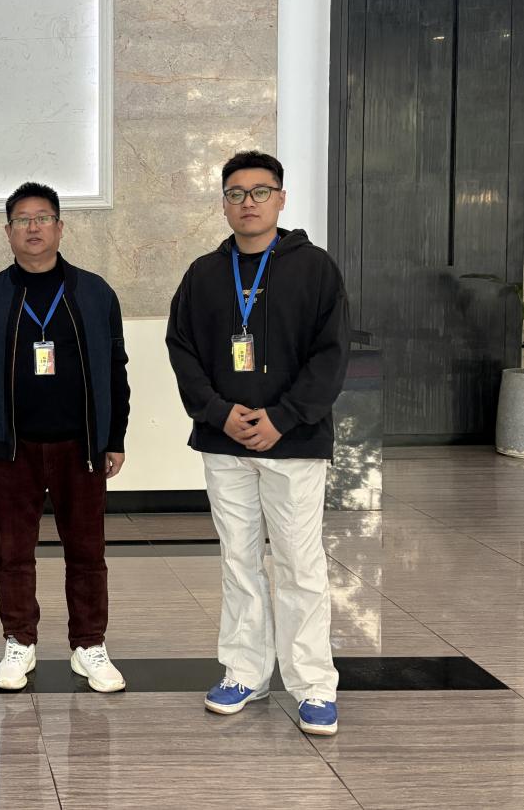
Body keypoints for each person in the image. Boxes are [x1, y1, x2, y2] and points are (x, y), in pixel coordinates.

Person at [165, 150, 349, 736]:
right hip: (224, 444)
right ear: (223, 203)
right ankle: (245, 671)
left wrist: (283, 417)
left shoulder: (315, 269)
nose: (248, 203)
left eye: (260, 191)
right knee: (239, 560)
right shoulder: (203, 274)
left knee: (299, 561)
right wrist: (220, 414)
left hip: (294, 442)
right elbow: (182, 349)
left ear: (281, 199)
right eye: (236, 193)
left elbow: (331, 355)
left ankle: (313, 683)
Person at [0, 182, 130, 693]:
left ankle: (89, 645)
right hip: (13, 447)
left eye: (42, 218)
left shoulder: (94, 291)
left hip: (81, 447)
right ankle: (19, 641)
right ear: (7, 231)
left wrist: (114, 437)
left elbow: (116, 368)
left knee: (87, 552)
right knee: (12, 553)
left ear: (60, 227)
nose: (32, 228)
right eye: (21, 220)